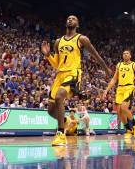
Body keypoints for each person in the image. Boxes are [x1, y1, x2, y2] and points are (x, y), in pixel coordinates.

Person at [41, 15, 112, 146]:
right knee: (51, 110)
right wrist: (47, 55)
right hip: (60, 75)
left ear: (77, 25)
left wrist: (106, 69)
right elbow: (57, 64)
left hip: (73, 73)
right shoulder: (58, 42)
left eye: (73, 19)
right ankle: (67, 121)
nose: (70, 20)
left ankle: (60, 134)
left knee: (59, 97)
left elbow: (95, 55)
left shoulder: (81, 39)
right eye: (68, 18)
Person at [103, 50, 135, 138]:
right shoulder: (119, 65)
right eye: (124, 53)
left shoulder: (134, 65)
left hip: (129, 87)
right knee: (119, 111)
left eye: (127, 53)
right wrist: (107, 90)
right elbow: (114, 79)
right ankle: (128, 129)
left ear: (130, 56)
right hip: (120, 88)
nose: (125, 54)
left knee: (124, 107)